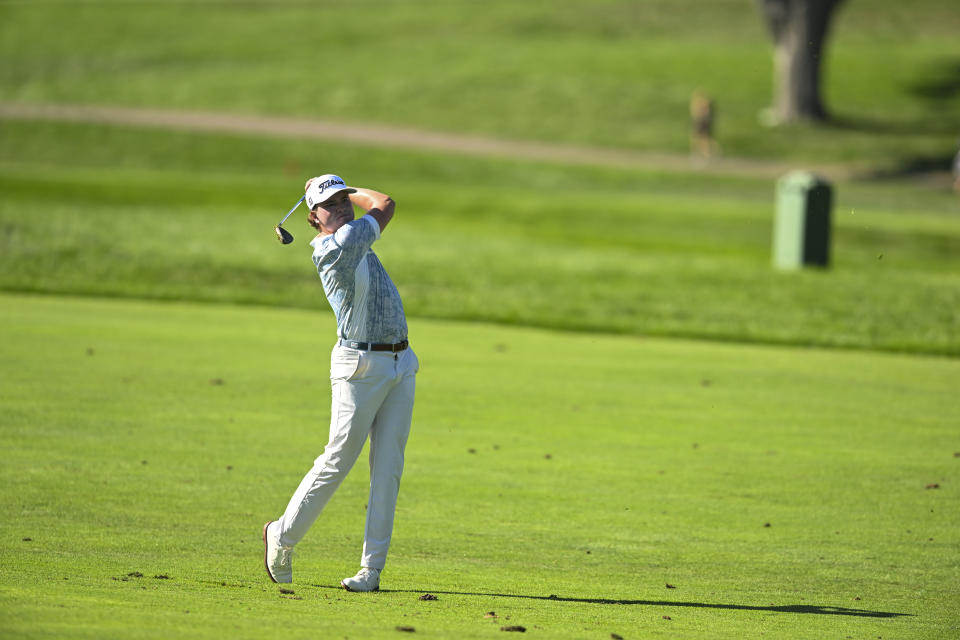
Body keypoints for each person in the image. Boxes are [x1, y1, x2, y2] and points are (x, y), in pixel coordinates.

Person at [263, 174, 418, 592]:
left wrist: (340, 188)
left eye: (344, 198)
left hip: (401, 362)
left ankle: (371, 571)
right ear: (313, 218)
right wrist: (358, 189)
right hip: (359, 367)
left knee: (388, 469)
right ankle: (282, 536)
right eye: (331, 203)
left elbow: (379, 207)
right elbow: (385, 202)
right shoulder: (338, 247)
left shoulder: (350, 233)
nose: (343, 206)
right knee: (338, 460)